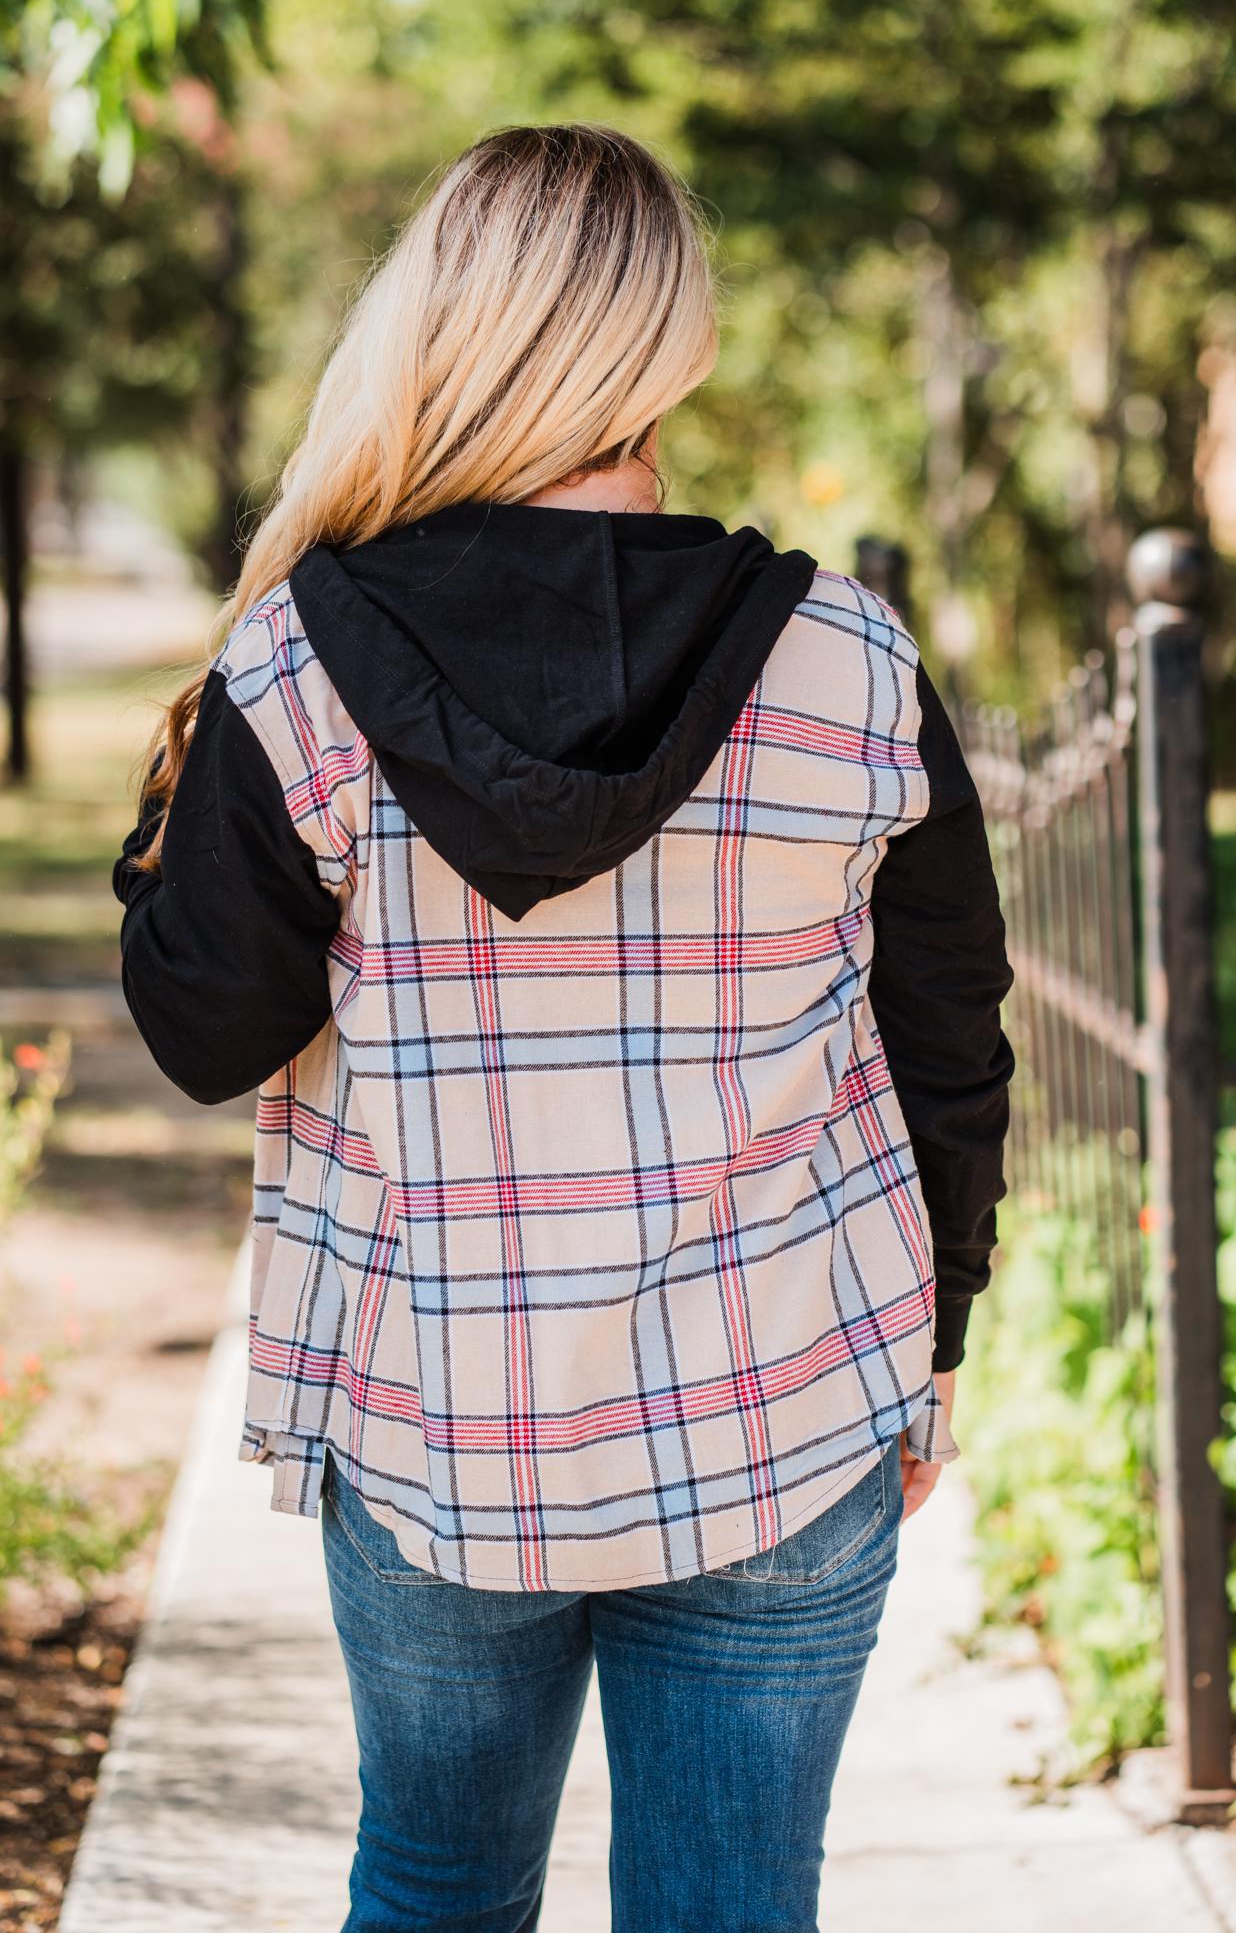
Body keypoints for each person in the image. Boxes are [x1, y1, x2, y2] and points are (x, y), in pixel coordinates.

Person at [112, 123, 1014, 1933]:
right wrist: (934, 1342)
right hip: (783, 1397)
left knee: (436, 1887)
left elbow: (209, 1030)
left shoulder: (298, 660)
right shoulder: (848, 658)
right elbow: (946, 1038)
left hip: (440, 1415)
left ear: (438, 330)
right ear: (666, 348)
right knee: (732, 1906)